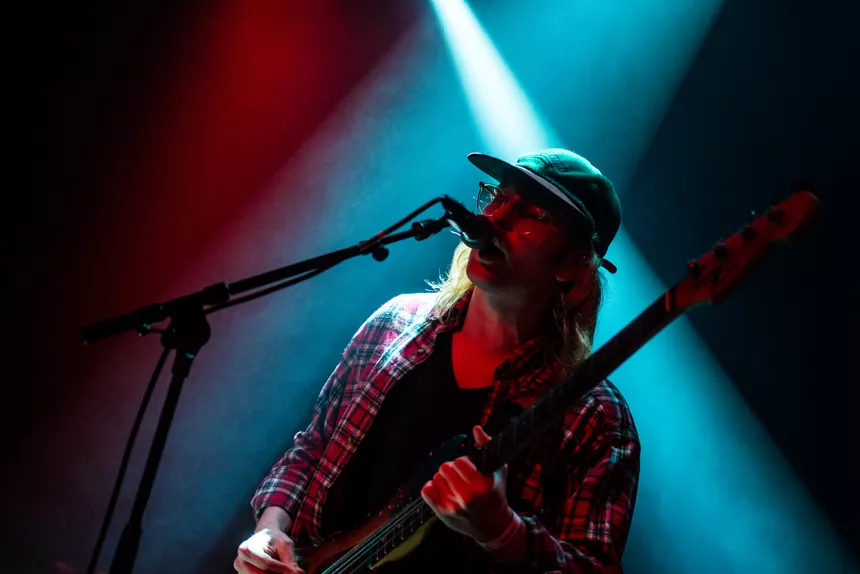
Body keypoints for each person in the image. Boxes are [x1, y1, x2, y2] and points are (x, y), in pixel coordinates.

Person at [234, 148, 640, 573]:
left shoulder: (595, 417)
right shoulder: (394, 322)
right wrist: (270, 528)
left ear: (573, 263)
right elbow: (314, 445)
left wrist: (505, 533)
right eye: (500, 196)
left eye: (533, 213)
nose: (495, 217)